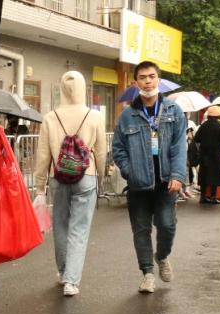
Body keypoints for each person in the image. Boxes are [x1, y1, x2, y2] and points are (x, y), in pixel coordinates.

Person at [112, 61, 187, 293]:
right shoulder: (128, 115)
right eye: (143, 77)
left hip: (166, 183)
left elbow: (179, 146)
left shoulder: (174, 111)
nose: (147, 81)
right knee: (141, 231)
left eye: (151, 76)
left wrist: (178, 175)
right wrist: (130, 171)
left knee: (167, 225)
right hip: (138, 185)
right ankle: (147, 274)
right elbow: (118, 149)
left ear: (158, 80)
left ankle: (162, 255)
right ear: (136, 82)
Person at [33, 71, 106, 296]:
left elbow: (43, 154)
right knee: (79, 229)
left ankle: (64, 272)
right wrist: (100, 176)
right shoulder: (94, 116)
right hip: (87, 176)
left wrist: (39, 185)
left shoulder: (50, 117)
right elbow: (101, 152)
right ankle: (71, 282)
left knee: (61, 225)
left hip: (58, 176)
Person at [193, 106, 220, 204]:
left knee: (204, 174)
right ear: (219, 115)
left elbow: (196, 139)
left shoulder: (203, 126)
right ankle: (213, 197)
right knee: (215, 175)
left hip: (204, 154)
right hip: (217, 155)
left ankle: (203, 197)